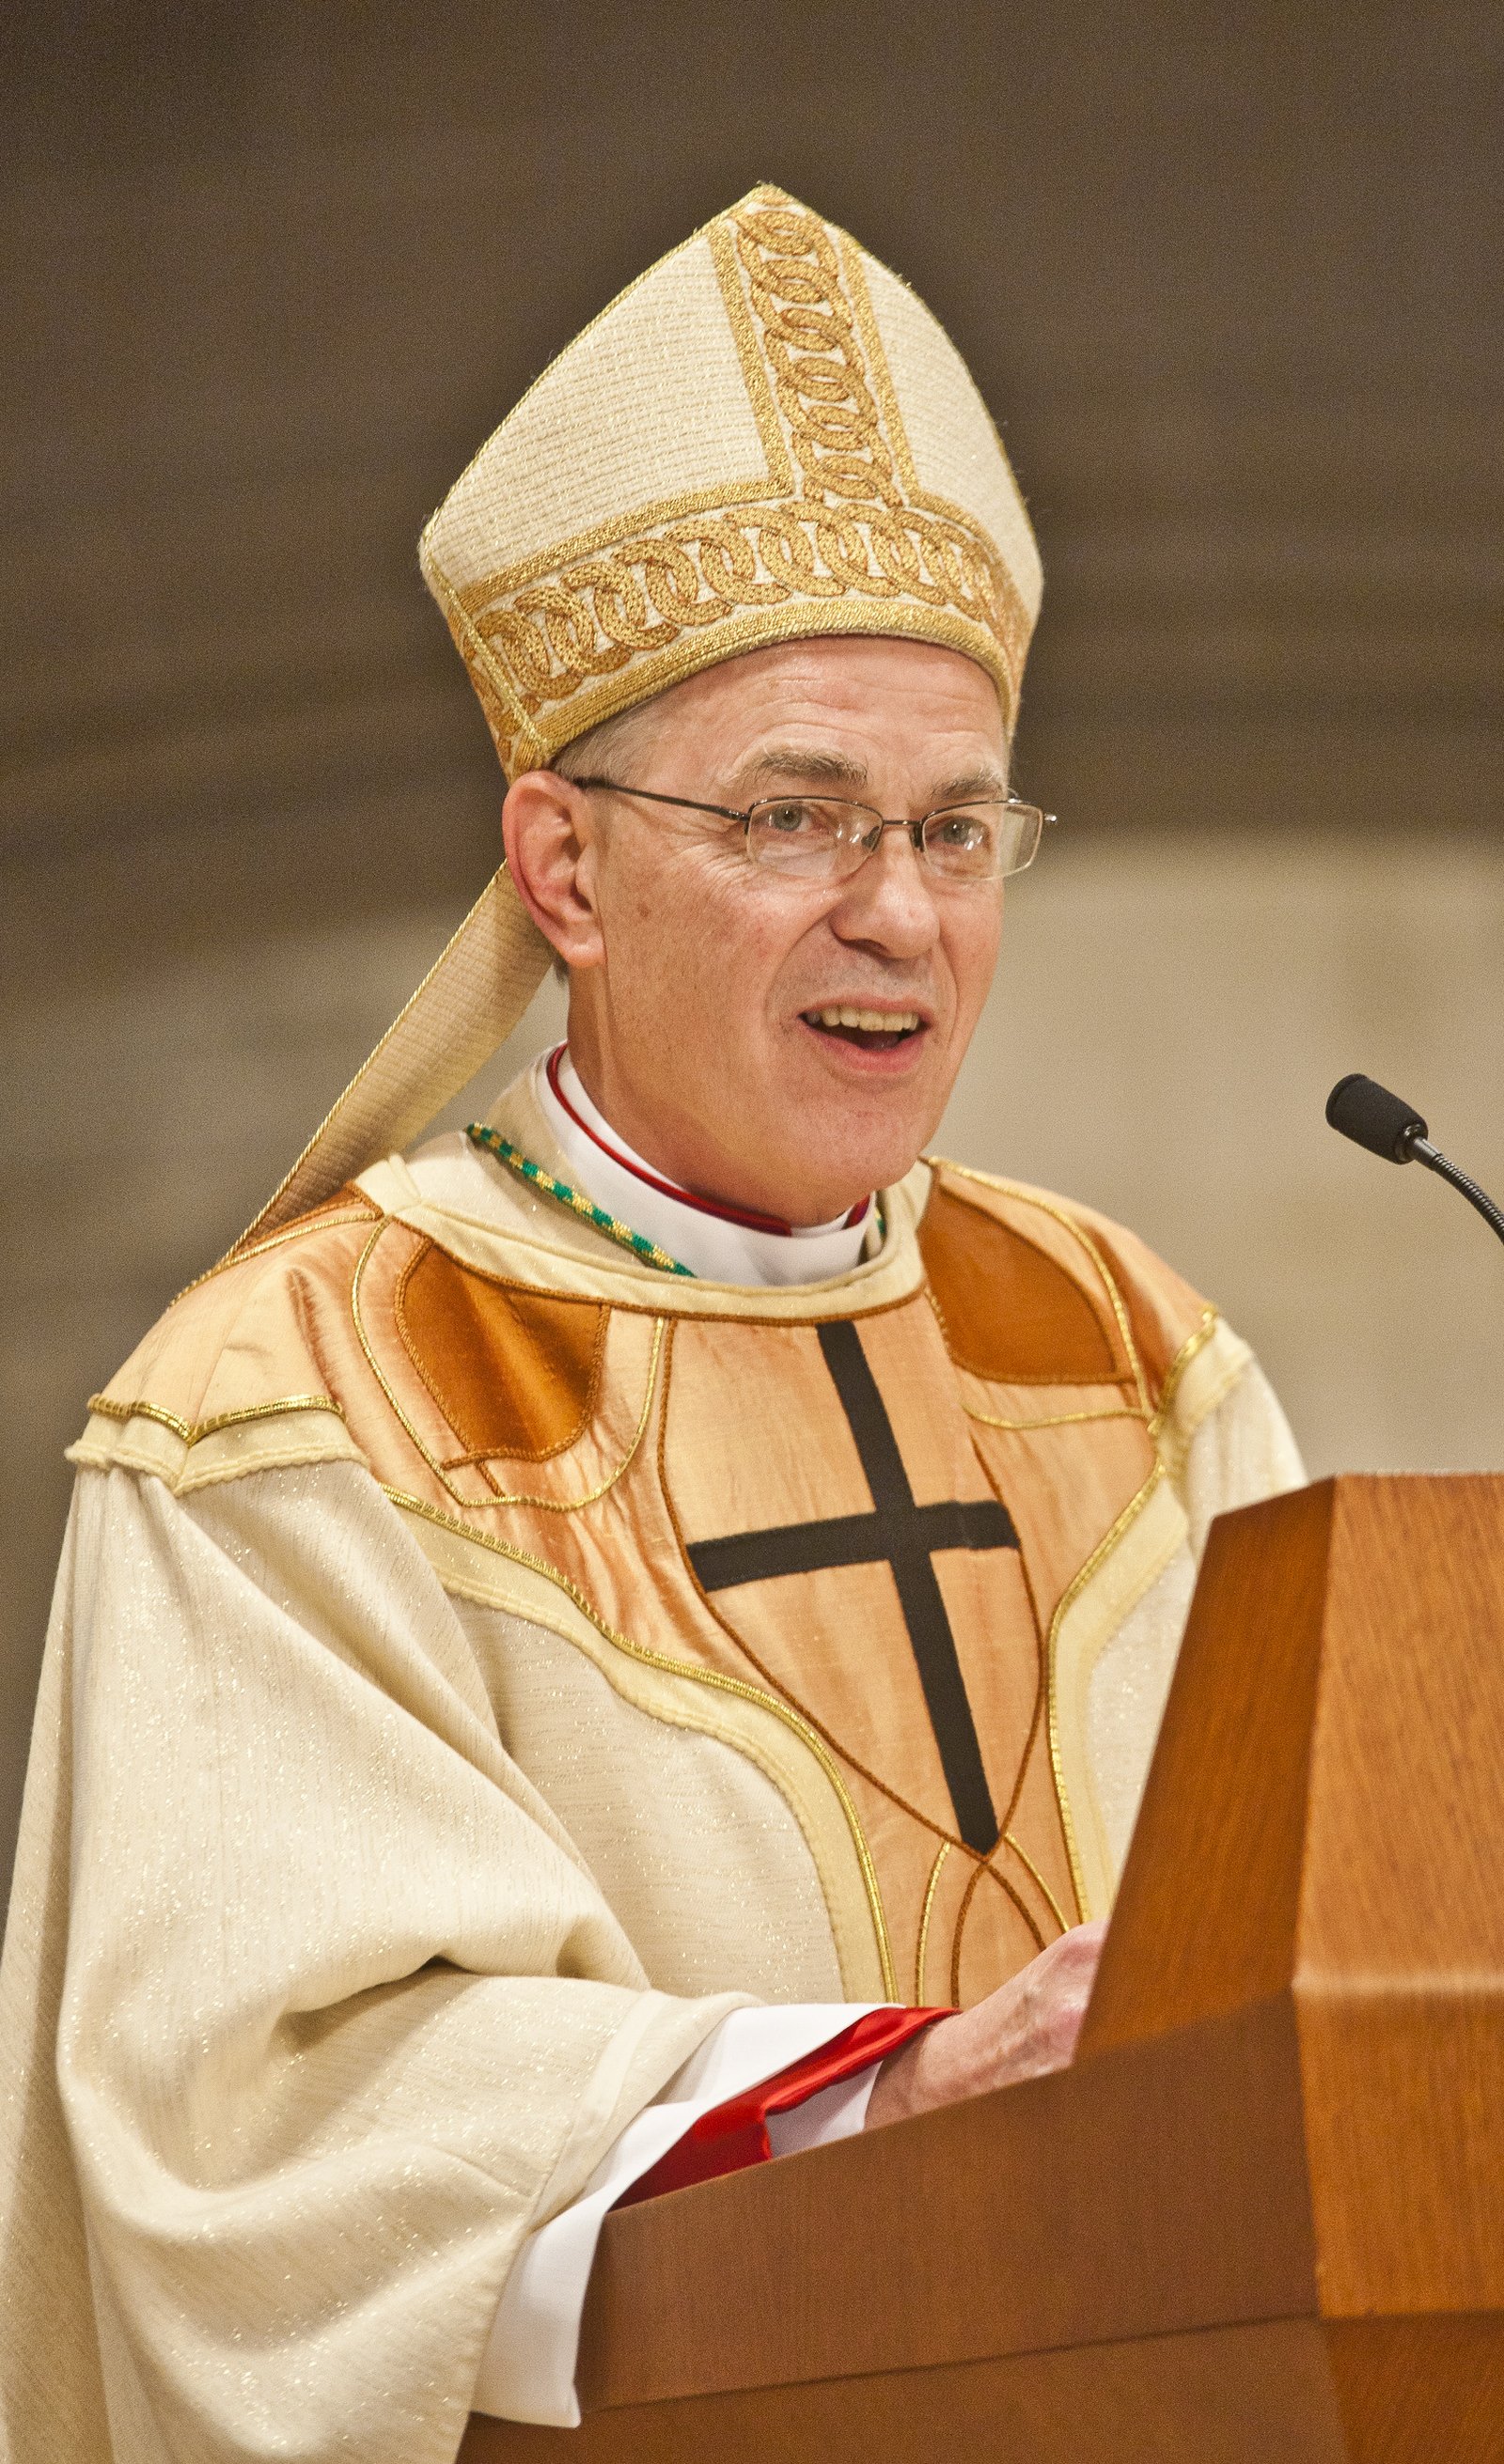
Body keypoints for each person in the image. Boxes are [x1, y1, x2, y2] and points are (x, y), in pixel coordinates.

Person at [0, 185, 1303, 2461]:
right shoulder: (296, 1403)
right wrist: (880, 2094)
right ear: (563, 870)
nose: (895, 912)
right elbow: (252, 2131)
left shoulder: (1124, 1349)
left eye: (958, 828)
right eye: (796, 817)